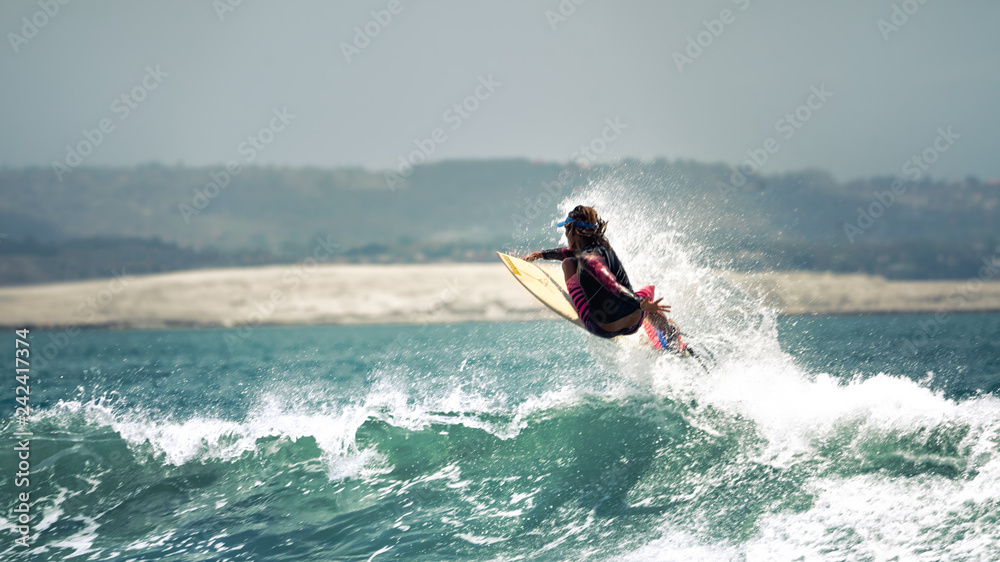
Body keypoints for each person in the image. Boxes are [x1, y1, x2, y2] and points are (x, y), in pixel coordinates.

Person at [523, 205, 680, 342]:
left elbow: (612, 284)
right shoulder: (601, 246)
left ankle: (583, 302)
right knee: (649, 290)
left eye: (566, 229)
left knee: (568, 264)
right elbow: (569, 251)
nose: (565, 233)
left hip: (603, 328)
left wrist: (639, 302)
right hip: (634, 322)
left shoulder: (590, 259)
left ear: (572, 230)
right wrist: (540, 254)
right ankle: (668, 331)